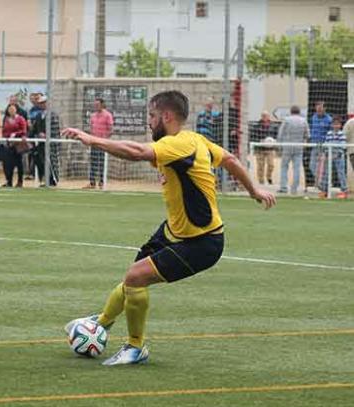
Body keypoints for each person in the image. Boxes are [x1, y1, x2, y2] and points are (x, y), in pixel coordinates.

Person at [62, 90, 275, 366]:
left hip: (201, 242)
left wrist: (92, 140)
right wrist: (253, 190)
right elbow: (231, 160)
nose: (148, 122)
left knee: (136, 277)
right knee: (131, 279)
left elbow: (137, 152)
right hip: (174, 231)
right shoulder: (195, 141)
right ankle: (100, 323)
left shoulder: (178, 144)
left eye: (151, 116)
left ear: (167, 116)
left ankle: (135, 348)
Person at [276, 105, 309, 195]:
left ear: (291, 111)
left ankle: (283, 187)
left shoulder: (286, 120)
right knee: (297, 168)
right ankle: (294, 188)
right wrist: (304, 144)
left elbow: (280, 133)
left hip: (287, 146)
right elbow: (307, 134)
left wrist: (279, 145)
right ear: (299, 112)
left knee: (284, 167)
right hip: (298, 147)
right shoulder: (304, 121)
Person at [30, 95, 60, 187]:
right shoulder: (39, 115)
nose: (42, 105)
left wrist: (47, 135)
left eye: (43, 103)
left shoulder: (53, 115)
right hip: (41, 143)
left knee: (51, 161)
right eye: (40, 103)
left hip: (50, 143)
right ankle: (44, 178)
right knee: (40, 160)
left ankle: (53, 179)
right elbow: (34, 129)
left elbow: (55, 130)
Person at [84, 97, 113, 189]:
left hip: (103, 142)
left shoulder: (108, 115)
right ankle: (92, 183)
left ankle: (101, 182)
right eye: (95, 104)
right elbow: (91, 128)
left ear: (102, 105)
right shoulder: (93, 115)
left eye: (98, 104)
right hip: (94, 142)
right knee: (93, 163)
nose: (96, 106)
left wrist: (105, 139)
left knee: (102, 163)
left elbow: (111, 129)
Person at [318, 117, 348, 199]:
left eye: (337, 124)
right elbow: (326, 143)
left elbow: (343, 146)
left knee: (341, 173)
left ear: (340, 125)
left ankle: (344, 190)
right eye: (334, 124)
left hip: (338, 156)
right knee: (326, 173)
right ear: (332, 125)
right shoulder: (329, 133)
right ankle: (324, 190)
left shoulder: (341, 134)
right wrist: (326, 152)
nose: (336, 126)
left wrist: (336, 153)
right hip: (329, 156)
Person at [305, 101, 332, 189]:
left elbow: (330, 133)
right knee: (312, 166)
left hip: (324, 147)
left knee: (324, 167)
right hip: (314, 146)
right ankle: (319, 182)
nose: (319, 109)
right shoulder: (313, 117)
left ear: (324, 108)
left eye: (320, 108)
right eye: (317, 107)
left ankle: (324, 185)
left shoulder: (329, 119)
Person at [1, 103, 28, 187]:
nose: (11, 111)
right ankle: (9, 181)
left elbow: (24, 130)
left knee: (19, 163)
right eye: (10, 109)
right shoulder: (6, 119)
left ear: (16, 110)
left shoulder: (20, 119)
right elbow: (4, 131)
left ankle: (20, 181)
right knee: (8, 163)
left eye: (13, 109)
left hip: (18, 144)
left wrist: (15, 134)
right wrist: (7, 136)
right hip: (9, 144)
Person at [249, 111, 278, 185]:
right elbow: (252, 137)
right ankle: (261, 181)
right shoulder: (256, 126)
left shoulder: (274, 126)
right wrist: (260, 141)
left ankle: (269, 177)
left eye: (266, 115)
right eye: (263, 115)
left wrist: (274, 141)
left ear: (269, 116)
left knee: (271, 165)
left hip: (270, 149)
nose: (264, 117)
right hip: (260, 149)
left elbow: (277, 136)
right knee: (260, 166)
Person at [26, 93, 44, 180]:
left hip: (42, 138)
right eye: (34, 99)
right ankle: (32, 173)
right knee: (32, 154)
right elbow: (30, 122)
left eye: (37, 98)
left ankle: (42, 175)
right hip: (34, 135)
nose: (36, 100)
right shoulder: (32, 110)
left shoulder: (44, 111)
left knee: (42, 156)